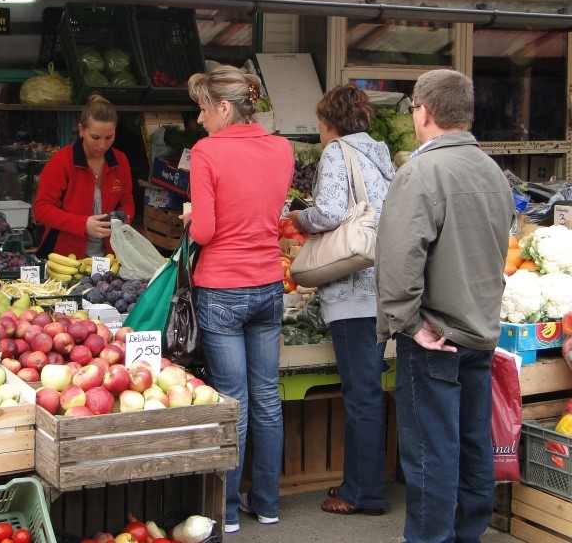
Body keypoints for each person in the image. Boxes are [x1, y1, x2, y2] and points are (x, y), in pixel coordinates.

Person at [376, 69, 514, 543]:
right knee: (473, 445)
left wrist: (408, 323)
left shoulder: (421, 171)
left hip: (436, 335)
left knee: (431, 452)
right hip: (480, 330)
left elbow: (398, 258)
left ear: (424, 111)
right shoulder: (491, 170)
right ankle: (467, 534)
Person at [184, 64, 294, 534]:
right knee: (267, 397)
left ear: (225, 107)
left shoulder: (206, 153)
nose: (200, 120)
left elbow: (207, 230)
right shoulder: (282, 147)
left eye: (204, 110)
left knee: (232, 400)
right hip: (269, 284)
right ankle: (267, 502)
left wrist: (191, 218)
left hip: (222, 289)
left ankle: (226, 511)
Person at [288, 83, 395, 517]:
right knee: (368, 390)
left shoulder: (337, 152)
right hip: (382, 289)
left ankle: (362, 493)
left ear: (329, 123)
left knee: (361, 394)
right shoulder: (382, 158)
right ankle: (363, 482)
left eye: (319, 125)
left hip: (352, 292)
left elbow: (330, 212)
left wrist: (298, 216)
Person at [33, 93, 134, 258]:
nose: (102, 144)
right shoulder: (62, 161)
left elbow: (127, 201)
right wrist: (82, 224)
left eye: (109, 137)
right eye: (95, 137)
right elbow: (42, 209)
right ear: (81, 130)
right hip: (64, 256)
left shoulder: (120, 160)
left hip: (111, 254)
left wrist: (124, 218)